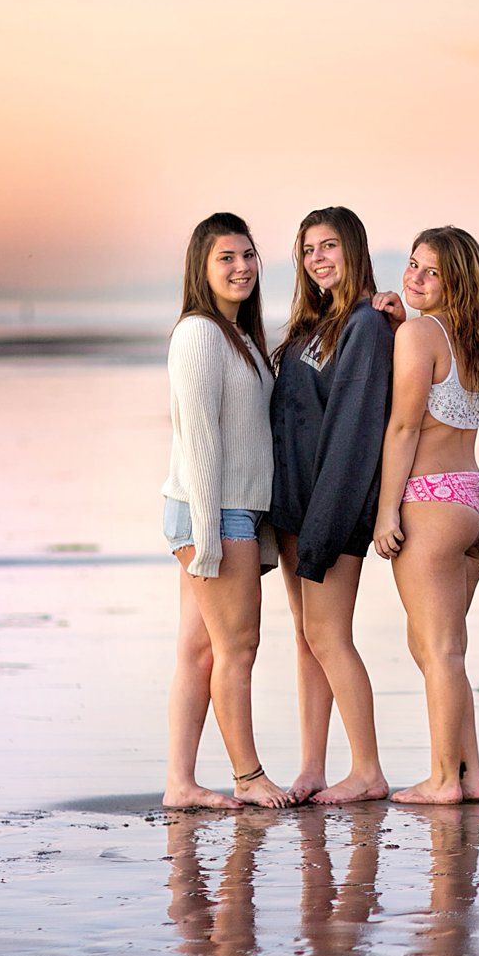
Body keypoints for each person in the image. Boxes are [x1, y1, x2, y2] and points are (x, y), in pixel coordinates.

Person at [161, 213, 293, 811]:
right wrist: (211, 535)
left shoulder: (239, 336)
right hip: (211, 512)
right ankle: (248, 775)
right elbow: (200, 439)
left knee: (201, 652)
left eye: (248, 255)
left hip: (221, 511)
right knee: (239, 648)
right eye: (226, 258)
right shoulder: (198, 334)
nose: (241, 267)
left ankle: (180, 784)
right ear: (202, 267)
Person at [270, 206, 397, 804]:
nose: (317, 258)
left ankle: (367, 769)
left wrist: (324, 526)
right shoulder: (312, 327)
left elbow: (353, 431)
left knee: (330, 636)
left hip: (334, 511)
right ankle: (312, 767)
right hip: (295, 511)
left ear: (353, 249)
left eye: (329, 246)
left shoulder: (366, 325)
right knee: (306, 638)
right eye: (307, 249)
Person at [373, 226, 479, 804]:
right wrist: (407, 322)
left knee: (440, 649)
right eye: (412, 265)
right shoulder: (469, 335)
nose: (415, 278)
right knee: (439, 647)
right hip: (476, 499)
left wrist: (384, 513)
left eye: (431, 273)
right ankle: (469, 775)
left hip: (432, 500)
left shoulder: (420, 334)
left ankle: (444, 779)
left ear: (454, 283)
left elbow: (402, 427)